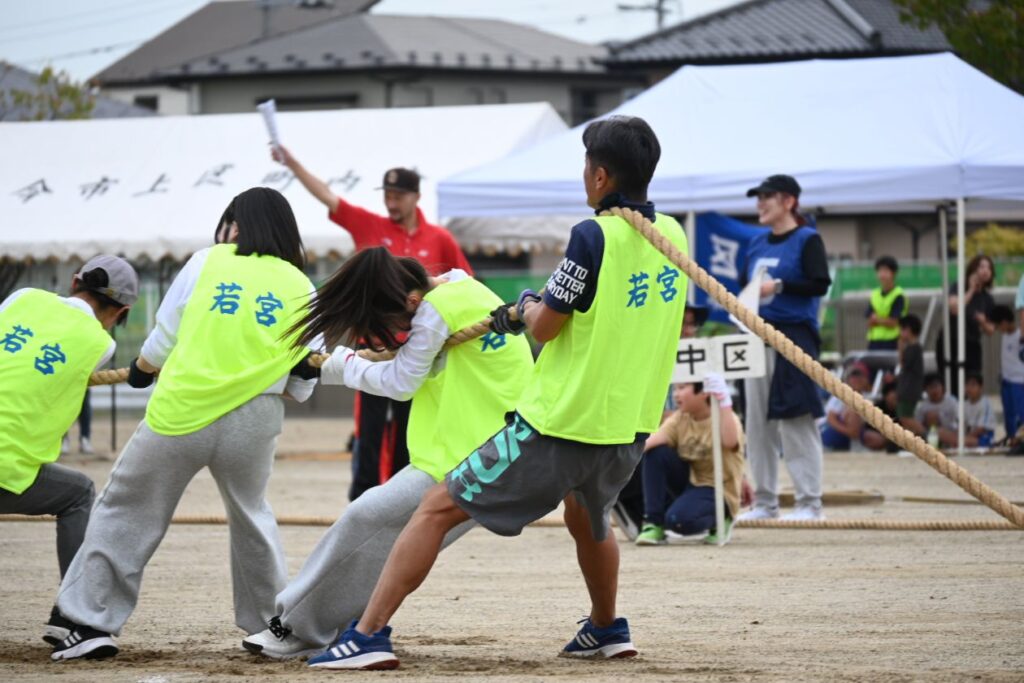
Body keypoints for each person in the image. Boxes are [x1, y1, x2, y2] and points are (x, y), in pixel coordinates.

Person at [301, 115, 687, 670]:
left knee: (434, 509)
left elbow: (545, 326)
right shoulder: (671, 234)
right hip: (627, 422)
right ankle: (606, 627)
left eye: (585, 167)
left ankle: (366, 636)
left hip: (560, 421)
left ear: (600, 177)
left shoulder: (592, 235)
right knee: (589, 518)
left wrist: (528, 306)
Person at [50, 188, 319, 661]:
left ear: (237, 225)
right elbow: (305, 373)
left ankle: (88, 621)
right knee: (252, 516)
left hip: (183, 411)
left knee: (128, 509)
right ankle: (272, 627)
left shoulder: (208, 261)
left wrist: (142, 370)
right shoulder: (301, 283)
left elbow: (165, 333)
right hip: (255, 417)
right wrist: (289, 387)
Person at [241, 247, 533, 659]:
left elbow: (400, 383)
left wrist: (336, 364)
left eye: (393, 325)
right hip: (491, 450)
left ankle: (296, 628)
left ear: (411, 301)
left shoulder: (435, 309)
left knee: (366, 518)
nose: (397, 334)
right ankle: (354, 630)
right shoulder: (462, 286)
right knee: (386, 536)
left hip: (469, 457)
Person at [272, 145, 473, 501]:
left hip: (420, 352)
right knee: (370, 431)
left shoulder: (439, 238)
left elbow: (465, 287)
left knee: (413, 428)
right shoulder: (370, 225)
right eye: (388, 195)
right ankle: (362, 498)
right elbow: (327, 196)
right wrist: (292, 163)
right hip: (372, 349)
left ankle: (399, 497)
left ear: (416, 197)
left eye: (398, 195)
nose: (391, 202)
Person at [0, 255, 138, 645]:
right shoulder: (101, 344)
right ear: (121, 311)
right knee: (78, 493)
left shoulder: (23, 297)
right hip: (4, 468)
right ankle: (71, 614)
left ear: (75, 280)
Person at [736, 174, 831, 522]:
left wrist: (778, 285)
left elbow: (819, 283)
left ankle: (809, 502)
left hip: (794, 335)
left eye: (768, 196)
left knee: (796, 417)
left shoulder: (808, 239)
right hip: (756, 334)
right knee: (757, 422)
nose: (761, 203)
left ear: (789, 201)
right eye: (758, 197)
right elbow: (744, 286)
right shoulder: (756, 244)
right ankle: (765, 502)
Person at [611, 304, 708, 541]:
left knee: (686, 520)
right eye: (681, 323)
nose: (687, 331)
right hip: (656, 446)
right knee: (647, 448)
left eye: (690, 324)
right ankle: (640, 514)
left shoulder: (704, 364)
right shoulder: (644, 360)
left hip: (697, 452)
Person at [635, 374, 744, 546]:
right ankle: (654, 523)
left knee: (678, 521)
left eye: (683, 388)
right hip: (691, 484)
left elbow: (730, 442)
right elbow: (648, 444)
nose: (676, 394)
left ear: (704, 392)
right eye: (675, 388)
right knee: (656, 453)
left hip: (717, 489)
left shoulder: (725, 416)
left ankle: (723, 517)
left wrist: (724, 401)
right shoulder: (680, 418)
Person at [937, 254, 995, 398]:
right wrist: (970, 291)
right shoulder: (957, 286)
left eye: (989, 268)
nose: (985, 271)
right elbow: (954, 308)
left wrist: (982, 321)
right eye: (981, 266)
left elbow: (991, 329)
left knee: (971, 383)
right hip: (951, 341)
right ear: (973, 269)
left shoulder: (988, 299)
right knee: (950, 381)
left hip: (972, 344)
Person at [819, 364, 871, 451]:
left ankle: (855, 443)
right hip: (828, 429)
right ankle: (853, 444)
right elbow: (830, 418)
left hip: (851, 432)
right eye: (853, 376)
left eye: (860, 375)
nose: (856, 379)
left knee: (878, 439)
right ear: (848, 379)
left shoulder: (869, 396)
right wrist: (850, 432)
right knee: (853, 411)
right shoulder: (842, 394)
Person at [991, 304, 1024, 440]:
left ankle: (1020, 439)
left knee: (1020, 413)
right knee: (1008, 413)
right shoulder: (1005, 336)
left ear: (1004, 322)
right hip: (1006, 380)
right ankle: (1011, 438)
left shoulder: (1020, 336)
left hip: (1019, 381)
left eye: (999, 326)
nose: (999, 330)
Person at [866, 256, 907, 351]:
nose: (882, 275)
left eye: (885, 271)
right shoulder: (874, 294)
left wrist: (877, 320)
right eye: (879, 271)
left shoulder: (898, 295)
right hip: (874, 341)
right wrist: (883, 320)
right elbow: (869, 321)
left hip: (893, 341)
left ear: (893, 273)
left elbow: (894, 322)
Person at [908, 374, 959, 447]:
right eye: (930, 387)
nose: (934, 390)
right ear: (925, 390)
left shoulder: (952, 402)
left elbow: (955, 422)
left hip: (949, 432)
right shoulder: (921, 405)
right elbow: (917, 424)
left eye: (936, 386)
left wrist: (939, 417)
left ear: (942, 387)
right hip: (928, 434)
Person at [896, 314, 925, 430]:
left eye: (902, 329)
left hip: (909, 391)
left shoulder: (914, 349)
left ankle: (926, 437)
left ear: (908, 330)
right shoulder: (914, 348)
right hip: (907, 390)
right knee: (904, 418)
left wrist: (900, 350)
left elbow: (903, 364)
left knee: (906, 417)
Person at [862, 381, 901, 452]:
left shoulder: (900, 409)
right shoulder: (878, 407)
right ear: (886, 396)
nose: (895, 400)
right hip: (875, 432)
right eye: (893, 397)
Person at [962, 373, 996, 447]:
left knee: (959, 441)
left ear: (981, 388)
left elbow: (981, 429)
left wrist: (964, 438)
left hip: (984, 438)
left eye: (973, 385)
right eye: (967, 385)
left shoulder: (985, 403)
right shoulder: (964, 404)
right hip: (968, 437)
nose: (969, 388)